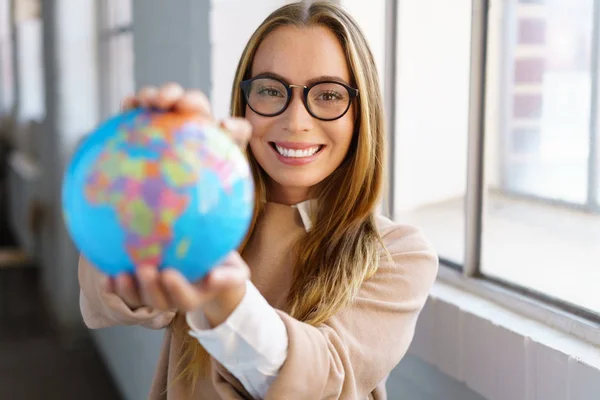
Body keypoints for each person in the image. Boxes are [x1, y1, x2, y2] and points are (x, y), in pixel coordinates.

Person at [78, 2, 439, 399]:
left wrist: (222, 291)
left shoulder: (398, 254)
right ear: (244, 101)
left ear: (361, 114)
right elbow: (112, 292)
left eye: (329, 95)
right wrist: (136, 188)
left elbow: (319, 382)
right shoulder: (204, 212)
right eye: (269, 90)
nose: (296, 121)